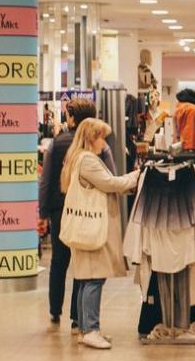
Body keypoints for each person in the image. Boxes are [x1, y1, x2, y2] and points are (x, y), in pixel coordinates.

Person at [59, 117, 139, 349]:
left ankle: (86, 328)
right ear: (91, 138)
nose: (104, 143)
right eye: (102, 137)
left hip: (84, 226)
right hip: (91, 228)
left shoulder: (78, 158)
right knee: (94, 278)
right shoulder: (87, 161)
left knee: (86, 278)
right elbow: (110, 183)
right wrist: (135, 175)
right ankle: (91, 329)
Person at [38, 98, 116, 328]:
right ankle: (76, 316)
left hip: (60, 209)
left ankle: (54, 309)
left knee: (59, 260)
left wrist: (43, 212)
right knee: (84, 262)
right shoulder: (101, 145)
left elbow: (46, 180)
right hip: (89, 211)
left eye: (68, 114)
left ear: (73, 117)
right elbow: (110, 176)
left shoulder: (58, 142)